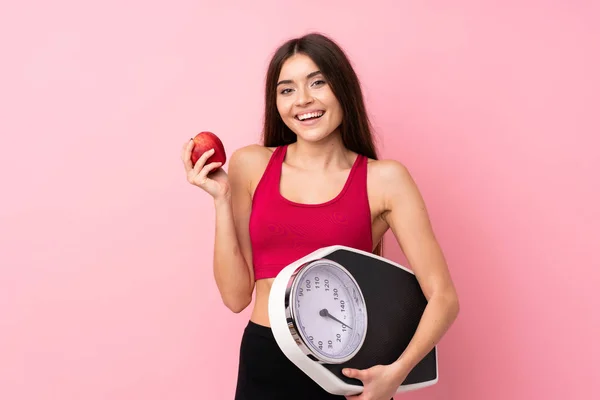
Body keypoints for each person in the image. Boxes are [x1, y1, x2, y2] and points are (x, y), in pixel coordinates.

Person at [180, 32, 460, 400]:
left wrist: (395, 374)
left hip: (349, 373)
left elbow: (443, 297)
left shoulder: (385, 179)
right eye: (287, 90)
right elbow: (235, 298)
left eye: (317, 82)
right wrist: (220, 199)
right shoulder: (251, 165)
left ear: (342, 89)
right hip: (266, 361)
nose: (303, 100)